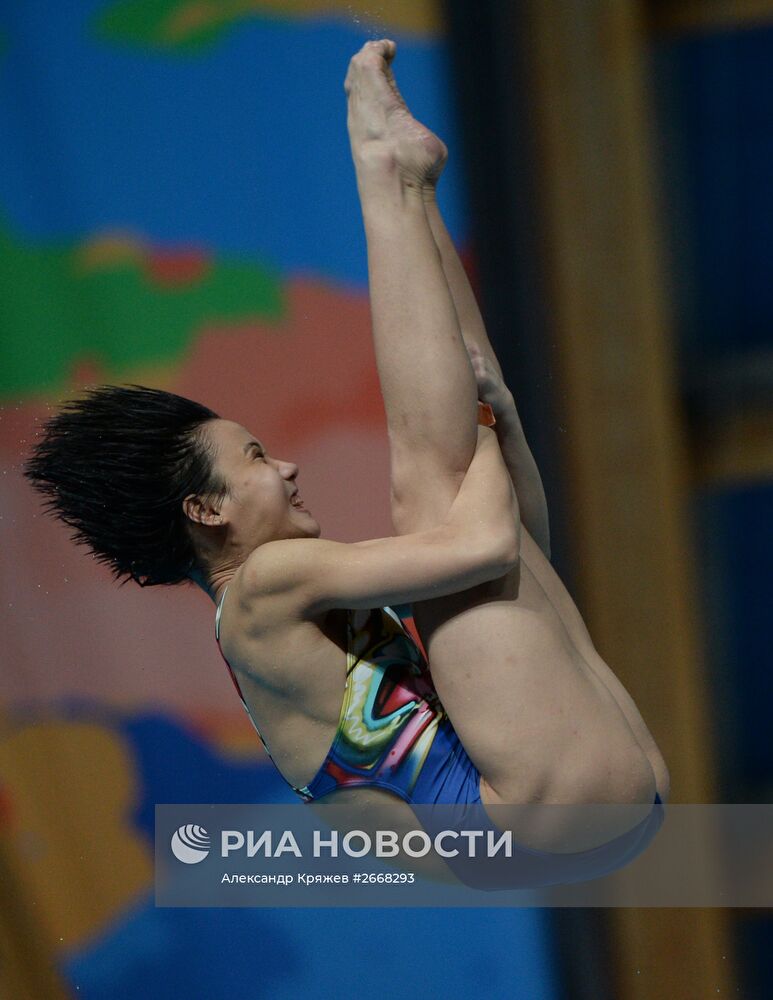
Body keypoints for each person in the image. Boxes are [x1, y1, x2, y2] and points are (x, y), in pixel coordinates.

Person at [25, 40, 667, 887]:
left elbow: (514, 549)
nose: (286, 466)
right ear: (206, 511)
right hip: (532, 813)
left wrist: (499, 427)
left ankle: (410, 186)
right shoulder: (257, 592)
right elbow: (481, 550)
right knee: (435, 487)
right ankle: (384, 172)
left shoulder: (290, 617)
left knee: (470, 451)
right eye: (253, 457)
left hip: (585, 815)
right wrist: (478, 432)